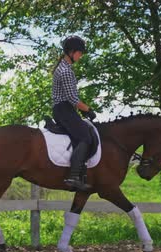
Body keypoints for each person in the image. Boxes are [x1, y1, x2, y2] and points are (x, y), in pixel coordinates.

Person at [52, 35, 97, 192]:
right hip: (64, 109)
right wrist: (88, 110)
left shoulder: (64, 68)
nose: (81, 55)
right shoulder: (65, 71)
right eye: (79, 52)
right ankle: (73, 176)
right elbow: (72, 98)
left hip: (64, 109)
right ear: (71, 52)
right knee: (85, 136)